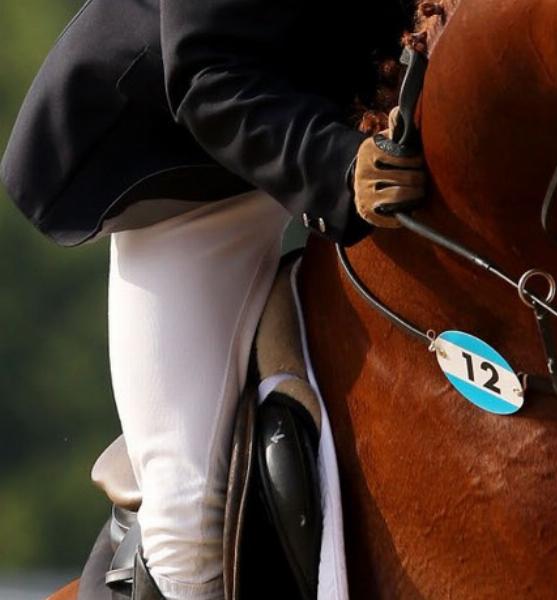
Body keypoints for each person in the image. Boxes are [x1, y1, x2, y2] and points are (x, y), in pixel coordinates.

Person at [0, 0, 426, 597]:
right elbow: (206, 74)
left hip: (370, 142)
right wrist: (335, 165)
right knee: (187, 522)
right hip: (193, 171)